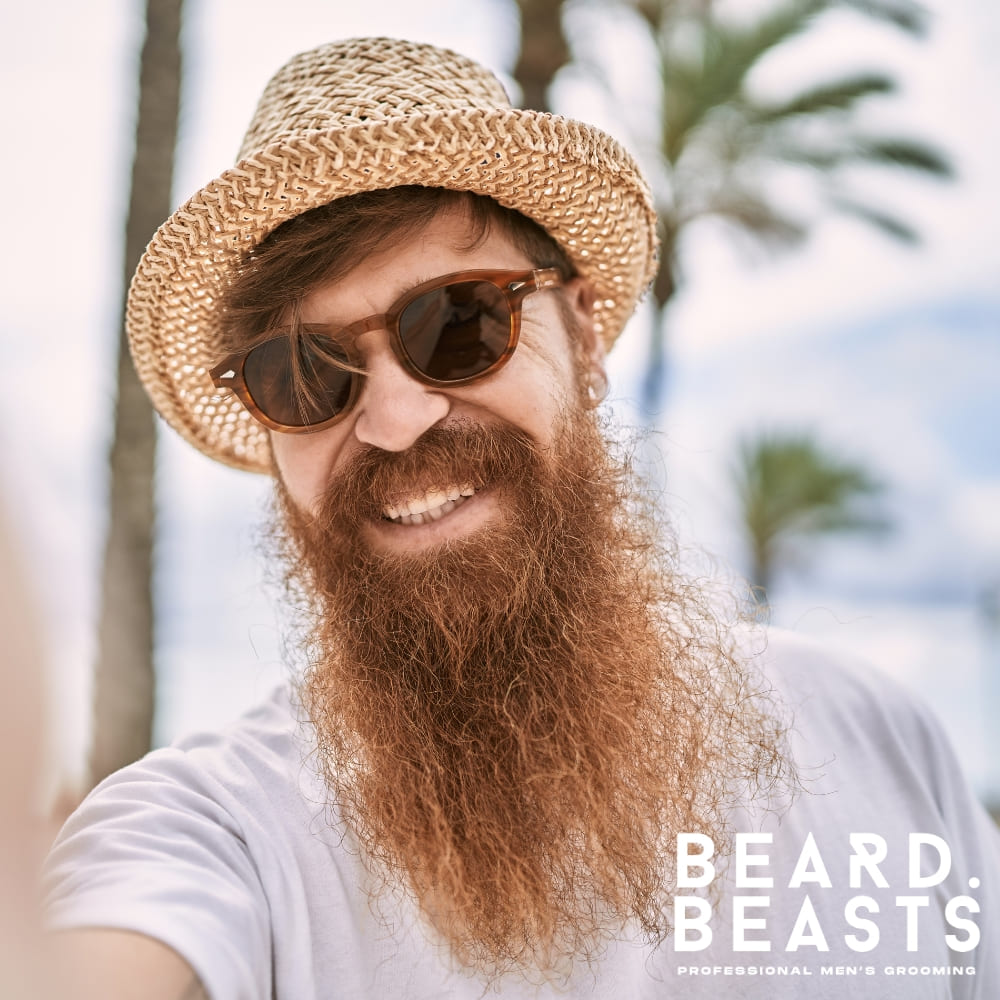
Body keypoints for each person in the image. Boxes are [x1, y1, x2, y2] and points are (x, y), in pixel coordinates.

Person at [44, 36, 1000, 1000]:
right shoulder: (216, 835)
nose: (393, 417)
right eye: (301, 373)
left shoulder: (876, 739)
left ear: (582, 334)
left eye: (459, 322)